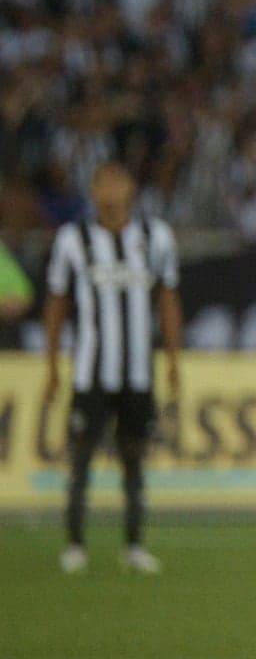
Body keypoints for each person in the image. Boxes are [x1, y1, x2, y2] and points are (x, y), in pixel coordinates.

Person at [43, 162, 183, 575]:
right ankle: (74, 543)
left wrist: (173, 359)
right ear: (91, 189)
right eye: (102, 181)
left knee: (135, 458)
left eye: (117, 180)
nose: (109, 189)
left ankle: (135, 544)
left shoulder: (155, 237)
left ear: (132, 188)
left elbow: (168, 299)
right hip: (91, 371)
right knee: (81, 457)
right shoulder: (73, 239)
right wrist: (52, 363)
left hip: (138, 371)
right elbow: (56, 303)